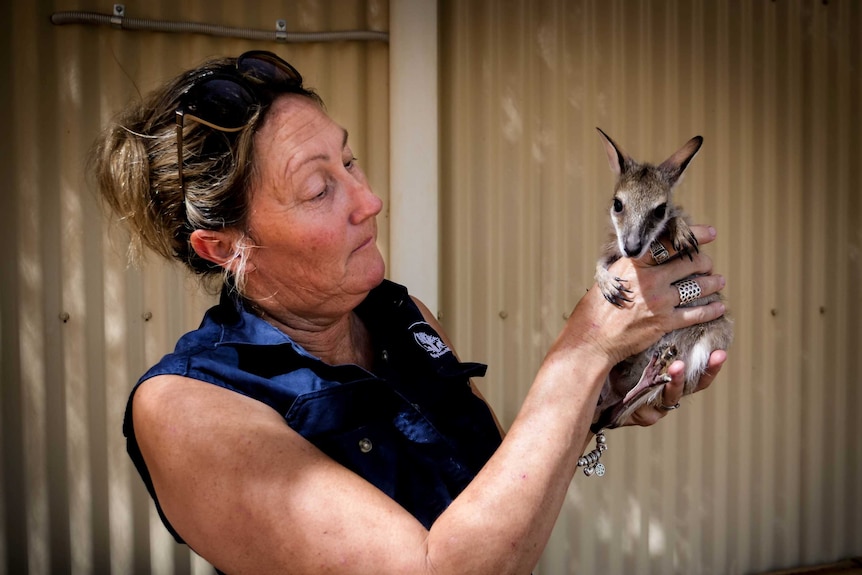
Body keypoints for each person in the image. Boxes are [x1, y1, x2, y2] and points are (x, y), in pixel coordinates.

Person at [91, 50, 728, 574]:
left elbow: (484, 500)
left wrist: (603, 394)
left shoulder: (400, 317)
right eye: (319, 188)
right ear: (227, 248)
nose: (369, 200)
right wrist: (582, 351)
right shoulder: (187, 408)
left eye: (349, 161)